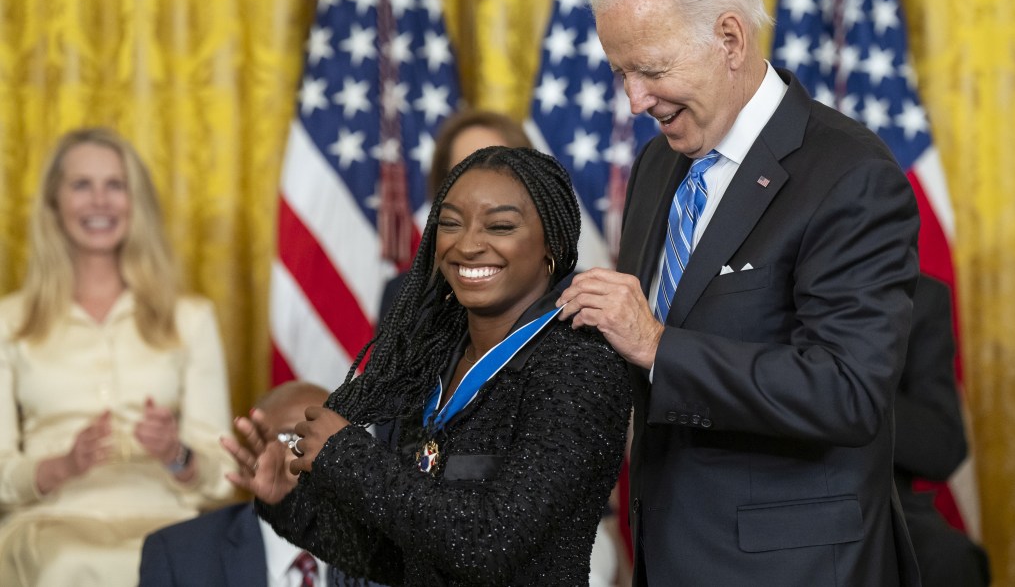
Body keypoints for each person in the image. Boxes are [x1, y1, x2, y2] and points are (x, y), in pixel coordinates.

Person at [556, 0, 922, 586]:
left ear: (730, 39)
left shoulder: (849, 173)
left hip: (796, 568)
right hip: (670, 555)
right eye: (620, 74)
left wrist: (658, 344)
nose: (635, 101)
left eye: (652, 70)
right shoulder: (658, 165)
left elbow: (847, 391)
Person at [224, 147, 632, 586]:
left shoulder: (579, 364)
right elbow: (402, 557)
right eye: (451, 223)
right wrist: (290, 503)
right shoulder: (432, 360)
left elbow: (491, 544)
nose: (468, 244)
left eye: (500, 226)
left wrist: (347, 454)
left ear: (551, 244)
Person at [0, 127, 234, 586]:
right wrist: (60, 466)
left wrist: (177, 454)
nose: (100, 202)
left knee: (184, 562)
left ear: (136, 203)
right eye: (82, 185)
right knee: (66, 562)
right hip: (53, 523)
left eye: (115, 185)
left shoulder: (191, 318)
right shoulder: (10, 321)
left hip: (167, 519)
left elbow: (223, 475)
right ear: (53, 204)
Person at [139, 381, 331, 587]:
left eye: (325, 439)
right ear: (251, 449)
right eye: (289, 438)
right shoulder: (176, 554)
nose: (308, 454)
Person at [378, 108, 533, 322]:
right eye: (463, 172)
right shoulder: (405, 296)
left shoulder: (576, 297)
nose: (479, 188)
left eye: (496, 171)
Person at [896, 275, 991, 587]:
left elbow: (944, 447)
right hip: (772, 491)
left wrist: (853, 388)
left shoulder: (921, 297)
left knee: (949, 558)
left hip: (887, 503)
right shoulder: (764, 287)